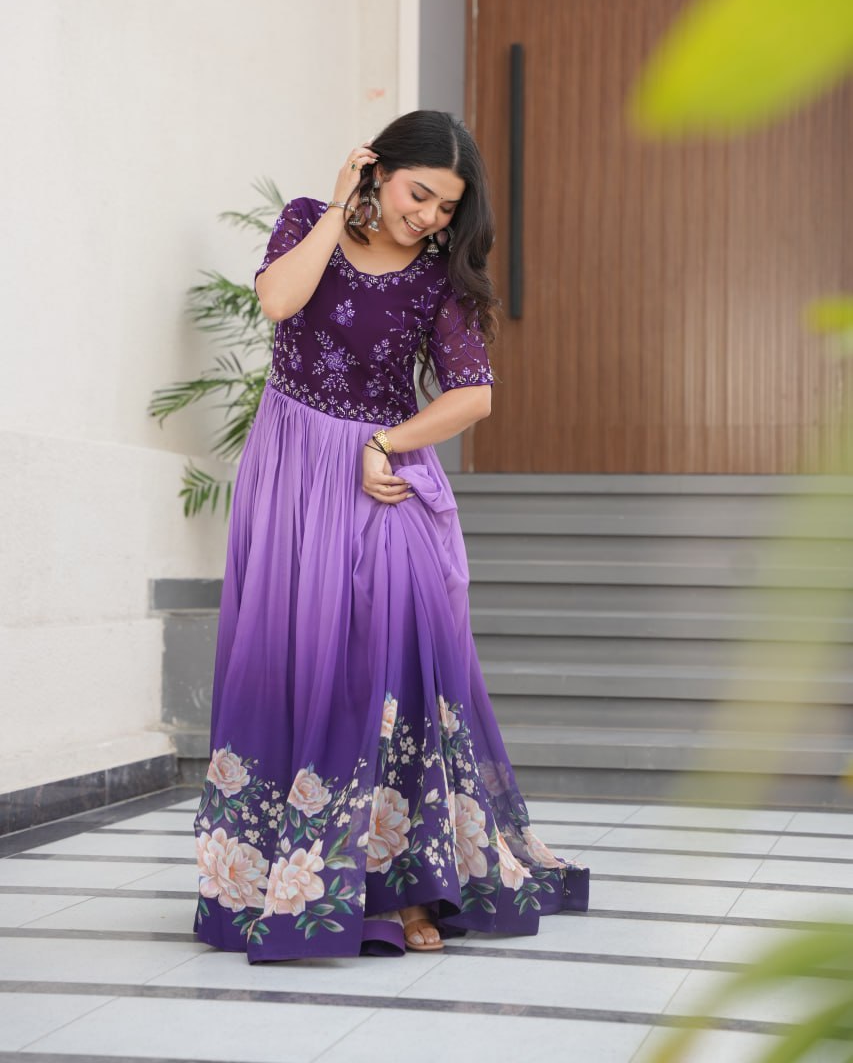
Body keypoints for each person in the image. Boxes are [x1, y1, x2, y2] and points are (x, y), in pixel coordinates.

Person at [192, 109, 590, 962]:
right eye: (419, 194)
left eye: (447, 207)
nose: (429, 217)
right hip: (289, 470)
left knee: (394, 663)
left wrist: (385, 442)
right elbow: (278, 300)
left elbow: (472, 396)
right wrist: (340, 207)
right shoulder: (308, 221)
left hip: (381, 475)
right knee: (289, 661)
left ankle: (409, 886)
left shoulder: (440, 278)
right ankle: (284, 879)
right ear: (376, 170)